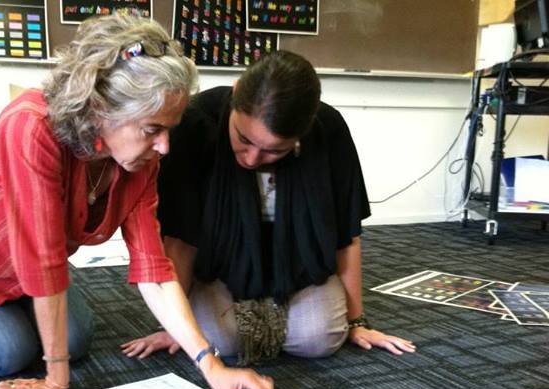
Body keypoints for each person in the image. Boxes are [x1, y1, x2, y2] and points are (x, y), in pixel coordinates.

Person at [0, 14, 274, 389]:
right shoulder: (30, 125)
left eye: (170, 130)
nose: (164, 146)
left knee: (74, 341)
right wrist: (55, 381)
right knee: (8, 352)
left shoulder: (141, 159)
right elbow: (43, 262)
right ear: (100, 107)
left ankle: (9, 305)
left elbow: (155, 271)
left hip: (23, 260)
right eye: (152, 129)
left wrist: (212, 366)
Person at [122, 51, 415, 366]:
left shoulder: (328, 130)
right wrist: (173, 327)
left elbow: (347, 236)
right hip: (218, 265)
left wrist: (358, 323)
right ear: (236, 95)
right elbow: (180, 240)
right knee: (221, 341)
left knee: (320, 339)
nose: (251, 159)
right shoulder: (196, 124)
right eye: (244, 139)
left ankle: (272, 304)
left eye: (274, 151)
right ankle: (249, 304)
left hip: (297, 263)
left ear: (300, 135)